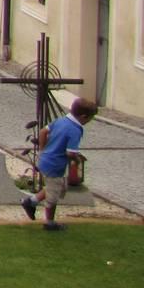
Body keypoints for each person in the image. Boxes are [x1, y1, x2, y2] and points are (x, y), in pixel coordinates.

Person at [22, 97, 99, 231]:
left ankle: (31, 202)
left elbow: (42, 132)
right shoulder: (75, 129)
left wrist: (42, 150)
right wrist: (77, 160)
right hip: (55, 164)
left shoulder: (61, 120)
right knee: (53, 196)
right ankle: (49, 223)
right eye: (89, 119)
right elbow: (70, 153)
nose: (88, 122)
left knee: (57, 187)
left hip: (46, 159)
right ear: (83, 116)